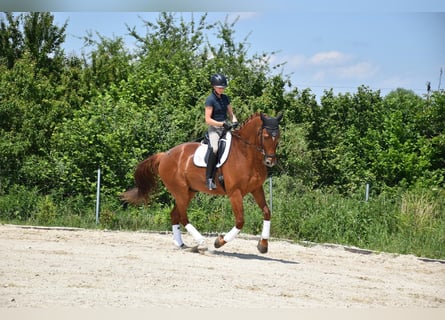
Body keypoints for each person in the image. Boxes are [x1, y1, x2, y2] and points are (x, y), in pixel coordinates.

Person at [204, 73, 238, 190]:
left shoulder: (225, 98)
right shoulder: (210, 100)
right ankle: (209, 178)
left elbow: (231, 113)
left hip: (226, 127)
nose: (222, 89)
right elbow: (208, 119)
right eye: (220, 87)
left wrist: (234, 121)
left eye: (223, 87)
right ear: (214, 86)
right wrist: (222, 124)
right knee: (215, 149)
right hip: (214, 129)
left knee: (235, 145)